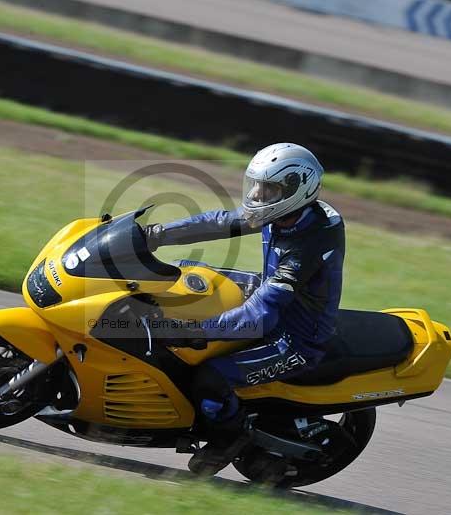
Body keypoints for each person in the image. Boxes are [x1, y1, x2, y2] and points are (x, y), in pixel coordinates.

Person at [144, 143, 345, 473]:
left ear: (296, 190)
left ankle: (229, 439)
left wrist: (193, 332)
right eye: (256, 184)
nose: (257, 194)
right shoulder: (285, 213)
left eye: (268, 189)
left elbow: (261, 315)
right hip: (270, 291)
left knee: (210, 378)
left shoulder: (308, 243)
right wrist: (155, 235)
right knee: (182, 273)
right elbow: (220, 222)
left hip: (294, 337)